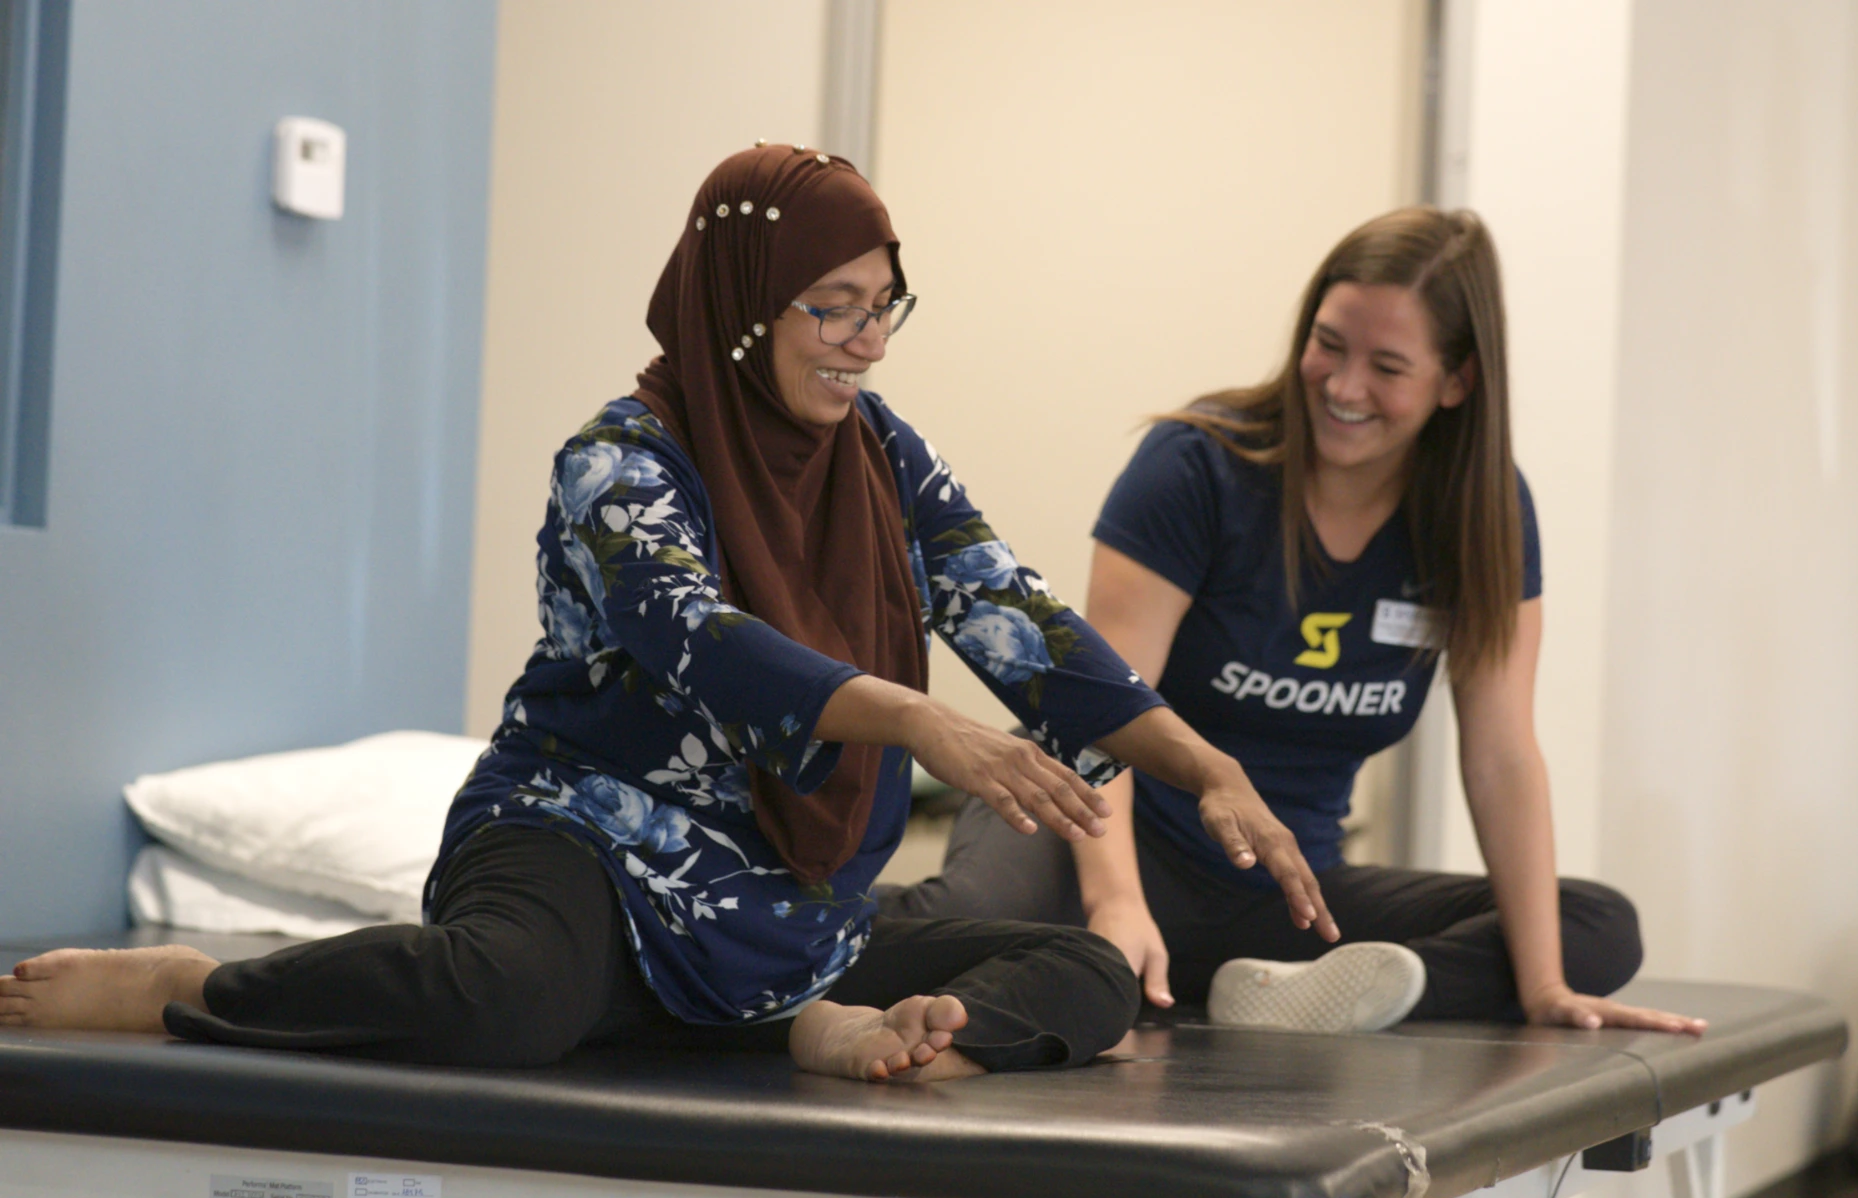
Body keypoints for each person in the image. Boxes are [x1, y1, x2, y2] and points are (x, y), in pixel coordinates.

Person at [0, 145, 1345, 1081]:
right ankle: (185, 988)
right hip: (584, 840)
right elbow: (701, 642)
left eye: (886, 311)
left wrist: (1204, 765)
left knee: (1091, 977)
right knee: (506, 1000)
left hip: (786, 893)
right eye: (831, 309)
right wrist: (920, 723)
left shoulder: (885, 456)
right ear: (744, 308)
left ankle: (806, 1017)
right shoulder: (619, 460)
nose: (865, 345)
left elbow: (1012, 609)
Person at [886, 207, 1706, 1035]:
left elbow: (1502, 757)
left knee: (1594, 928)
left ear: (1456, 382)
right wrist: (1118, 908)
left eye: (1388, 367)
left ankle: (1275, 996)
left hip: (1277, 885)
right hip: (1086, 839)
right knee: (945, 933)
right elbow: (1100, 713)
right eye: (1329, 345)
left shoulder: (1484, 513)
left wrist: (1543, 990)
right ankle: (790, 944)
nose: (1345, 387)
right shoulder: (1195, 467)